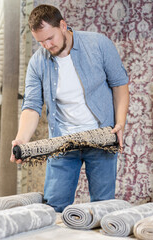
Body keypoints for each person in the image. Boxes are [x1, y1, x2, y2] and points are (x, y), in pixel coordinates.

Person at [10, 5, 129, 212]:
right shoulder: (37, 62)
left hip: (101, 137)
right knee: (53, 206)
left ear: (63, 25)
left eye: (50, 38)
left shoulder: (98, 44)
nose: (46, 45)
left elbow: (120, 84)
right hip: (63, 141)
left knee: (103, 207)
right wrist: (21, 139)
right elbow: (31, 106)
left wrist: (120, 124)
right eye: (40, 42)